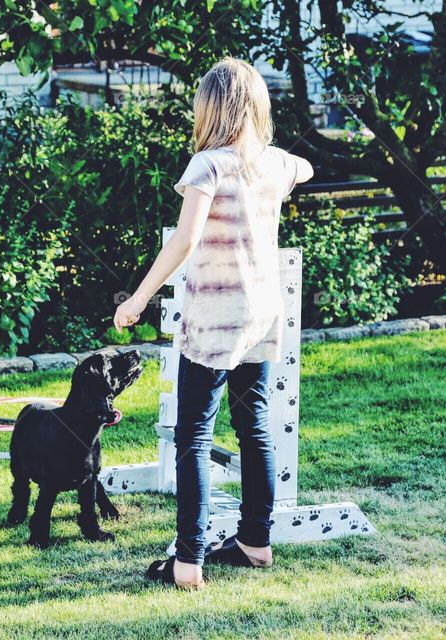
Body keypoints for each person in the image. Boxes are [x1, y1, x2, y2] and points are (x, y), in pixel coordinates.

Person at [113, 57, 314, 588]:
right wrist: (272, 156)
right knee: (254, 427)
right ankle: (256, 542)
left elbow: (183, 241)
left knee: (194, 436)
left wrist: (137, 299)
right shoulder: (273, 164)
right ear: (256, 107)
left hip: (215, 319)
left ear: (209, 109)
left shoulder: (209, 166)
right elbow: (305, 168)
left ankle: (188, 561)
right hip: (262, 316)